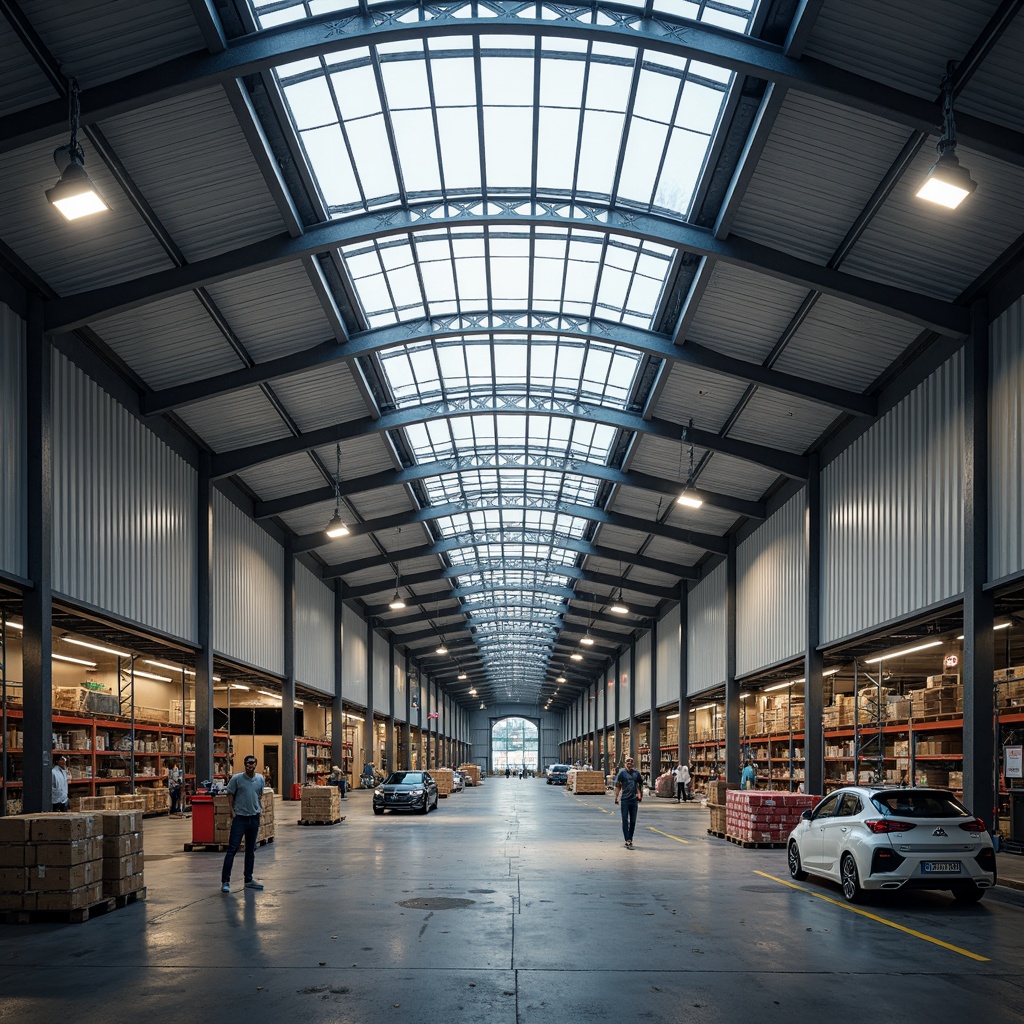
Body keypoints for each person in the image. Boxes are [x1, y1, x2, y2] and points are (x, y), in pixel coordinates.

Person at [220, 755, 266, 894]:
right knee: (232, 849)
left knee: (250, 850)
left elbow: (259, 795)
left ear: (255, 764)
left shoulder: (260, 779)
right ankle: (225, 881)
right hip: (240, 818)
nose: (249, 766)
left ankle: (248, 879)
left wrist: (257, 809)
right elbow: (229, 794)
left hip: (254, 818)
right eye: (247, 763)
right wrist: (232, 811)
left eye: (252, 763)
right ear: (244, 765)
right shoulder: (237, 779)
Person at [613, 756, 643, 849]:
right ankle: (627, 839)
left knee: (633, 821)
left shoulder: (636, 773)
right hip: (625, 800)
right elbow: (618, 785)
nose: (629, 765)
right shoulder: (622, 773)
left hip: (634, 800)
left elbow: (639, 784)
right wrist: (616, 797)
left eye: (631, 763)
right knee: (625, 820)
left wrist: (639, 794)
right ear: (625, 763)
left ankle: (630, 838)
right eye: (628, 763)